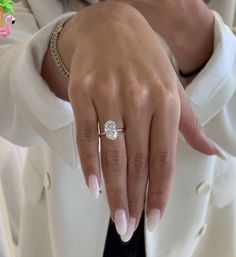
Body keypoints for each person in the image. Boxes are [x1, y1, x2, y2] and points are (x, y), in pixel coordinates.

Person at [0, 0, 236, 257]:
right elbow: (4, 46)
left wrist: (193, 28)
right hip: (63, 208)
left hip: (202, 217)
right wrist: (65, 46)